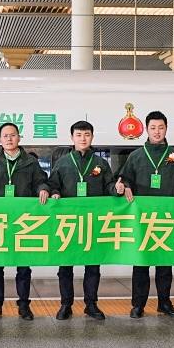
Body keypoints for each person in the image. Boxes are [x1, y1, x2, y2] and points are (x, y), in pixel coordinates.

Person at [115, 111, 174, 319]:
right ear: (146, 129)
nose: (157, 131)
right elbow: (124, 179)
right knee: (140, 264)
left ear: (166, 129)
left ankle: (164, 303)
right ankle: (138, 305)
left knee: (165, 264)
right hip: (142, 219)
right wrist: (125, 186)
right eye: (153, 128)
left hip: (166, 218)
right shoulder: (136, 156)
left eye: (161, 127)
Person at [0, 123, 50, 321]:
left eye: (13, 135)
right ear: (0, 139)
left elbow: (40, 181)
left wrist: (43, 189)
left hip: (22, 221)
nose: (9, 139)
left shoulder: (30, 162)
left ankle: (24, 305)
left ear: (19, 137)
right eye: (5, 136)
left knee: (23, 266)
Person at [48, 121, 117, 321]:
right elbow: (53, 184)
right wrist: (54, 192)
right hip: (68, 221)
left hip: (92, 222)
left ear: (92, 137)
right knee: (65, 266)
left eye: (87, 134)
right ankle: (66, 304)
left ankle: (91, 304)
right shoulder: (63, 162)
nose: (83, 138)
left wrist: (117, 189)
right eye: (78, 135)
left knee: (93, 266)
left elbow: (109, 186)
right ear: (72, 138)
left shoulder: (101, 163)